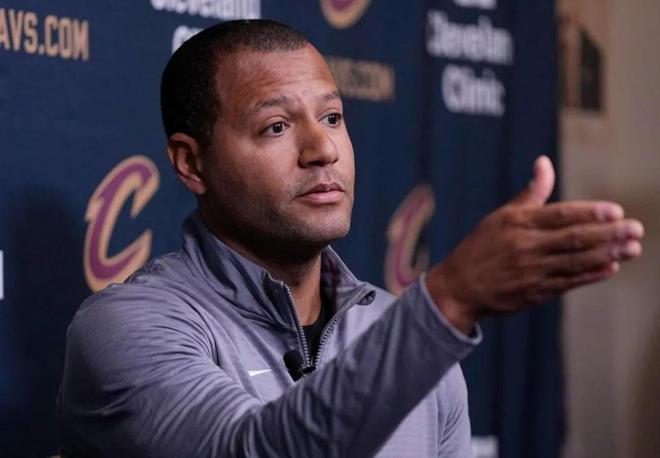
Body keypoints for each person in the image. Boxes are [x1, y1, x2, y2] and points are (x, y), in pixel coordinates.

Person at [57, 19, 644, 457]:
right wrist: (448, 302)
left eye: (333, 118)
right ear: (192, 163)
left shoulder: (411, 338)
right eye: (276, 127)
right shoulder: (127, 327)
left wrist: (432, 318)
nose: (323, 150)